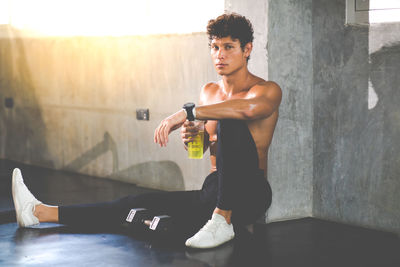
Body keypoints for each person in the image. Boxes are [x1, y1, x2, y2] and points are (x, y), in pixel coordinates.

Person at [11, 13, 281, 249]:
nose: (219, 55)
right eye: (214, 47)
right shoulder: (209, 92)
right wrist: (195, 137)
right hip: (214, 189)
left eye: (228, 47)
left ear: (247, 49)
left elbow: (245, 111)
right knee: (132, 204)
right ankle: (39, 212)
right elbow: (208, 148)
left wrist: (187, 113)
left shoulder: (266, 90)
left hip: (250, 192)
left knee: (230, 119)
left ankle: (223, 221)